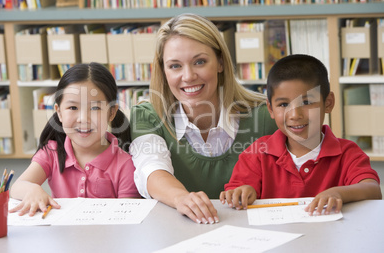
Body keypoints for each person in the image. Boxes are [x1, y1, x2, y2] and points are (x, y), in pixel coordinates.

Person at [129, 13, 277, 224]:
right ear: (163, 71)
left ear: (220, 63)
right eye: (175, 66)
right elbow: (150, 169)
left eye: (199, 62)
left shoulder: (266, 116)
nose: (188, 76)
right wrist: (182, 198)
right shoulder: (147, 116)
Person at [220, 54, 382, 215]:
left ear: (328, 103)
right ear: (270, 109)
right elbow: (236, 192)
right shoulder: (257, 153)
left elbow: (373, 190)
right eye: (283, 104)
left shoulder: (347, 152)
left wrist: (339, 193)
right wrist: (241, 193)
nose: (295, 114)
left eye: (306, 102)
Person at [10, 62, 141, 216]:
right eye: (73, 108)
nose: (83, 119)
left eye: (95, 108)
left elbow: (129, 219)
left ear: (111, 113)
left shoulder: (125, 164)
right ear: (59, 112)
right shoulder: (51, 153)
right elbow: (16, 187)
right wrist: (32, 189)